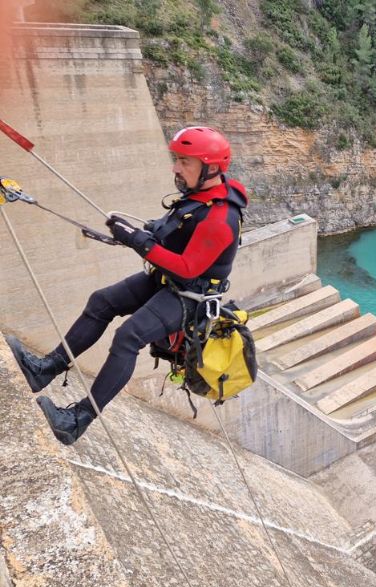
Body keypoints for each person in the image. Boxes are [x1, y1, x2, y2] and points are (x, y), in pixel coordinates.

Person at [5, 126, 248, 445]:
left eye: (184, 162)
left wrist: (138, 241)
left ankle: (77, 420)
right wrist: (144, 233)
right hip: (168, 281)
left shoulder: (221, 217)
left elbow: (189, 269)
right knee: (101, 302)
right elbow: (178, 232)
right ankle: (46, 368)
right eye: (176, 159)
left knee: (128, 337)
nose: (176, 168)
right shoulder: (202, 196)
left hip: (190, 296)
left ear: (211, 168)